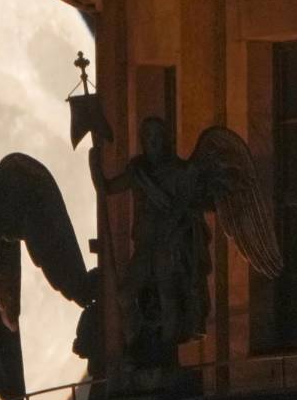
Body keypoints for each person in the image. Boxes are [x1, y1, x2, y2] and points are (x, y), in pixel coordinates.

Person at [91, 117, 212, 367]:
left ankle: (166, 355)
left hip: (168, 246)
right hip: (145, 246)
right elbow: (108, 188)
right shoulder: (138, 171)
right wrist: (94, 160)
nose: (152, 142)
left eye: (157, 137)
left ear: (166, 139)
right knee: (125, 294)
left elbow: (190, 208)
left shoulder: (180, 172)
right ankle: (136, 344)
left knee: (168, 296)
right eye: (148, 138)